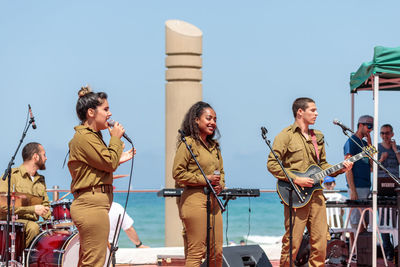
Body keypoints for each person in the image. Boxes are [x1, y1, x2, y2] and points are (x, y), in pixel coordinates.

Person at [267, 97, 352, 267]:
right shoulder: (285, 136)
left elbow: (322, 166)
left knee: (321, 242)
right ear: (300, 112)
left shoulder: (317, 136)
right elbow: (272, 164)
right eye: (313, 110)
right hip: (296, 196)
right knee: (292, 242)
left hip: (317, 195)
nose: (317, 113)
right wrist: (296, 178)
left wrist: (341, 168)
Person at [68, 86, 134, 267]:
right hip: (90, 206)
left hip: (95, 204)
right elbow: (108, 163)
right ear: (91, 112)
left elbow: (101, 165)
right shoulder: (84, 138)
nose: (110, 113)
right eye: (105, 109)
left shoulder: (93, 137)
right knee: (94, 262)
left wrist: (117, 158)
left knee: (89, 260)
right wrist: (115, 139)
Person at [172, 101, 225, 267]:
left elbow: (221, 173)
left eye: (215, 119)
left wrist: (220, 184)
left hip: (214, 201)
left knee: (216, 252)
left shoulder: (214, 147)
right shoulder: (187, 143)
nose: (213, 123)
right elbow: (178, 173)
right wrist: (205, 179)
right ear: (196, 120)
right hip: (194, 199)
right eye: (208, 118)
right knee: (197, 252)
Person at [0, 142, 51, 248]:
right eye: (44, 155)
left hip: (33, 224)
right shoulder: (12, 176)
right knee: (34, 227)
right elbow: (2, 205)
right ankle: (25, 261)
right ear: (36, 157)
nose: (46, 158)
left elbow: (46, 206)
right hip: (12, 224)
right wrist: (32, 209)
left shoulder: (41, 180)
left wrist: (57, 224)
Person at [343, 115, 373, 229]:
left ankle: (362, 246)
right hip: (357, 186)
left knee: (365, 223)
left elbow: (372, 164)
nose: (370, 130)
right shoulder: (352, 142)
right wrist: (353, 190)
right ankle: (354, 246)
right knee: (356, 223)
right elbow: (347, 168)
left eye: (372, 127)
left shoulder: (365, 144)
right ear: (361, 125)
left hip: (366, 186)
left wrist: (369, 142)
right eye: (369, 126)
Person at [377, 124, 400, 261]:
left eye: (387, 133)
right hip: (381, 187)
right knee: (384, 222)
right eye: (382, 133)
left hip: (396, 187)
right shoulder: (377, 149)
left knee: (396, 222)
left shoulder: (397, 148)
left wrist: (395, 150)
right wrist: (381, 160)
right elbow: (372, 168)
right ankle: (388, 251)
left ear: (392, 134)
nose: (385, 136)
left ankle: (397, 248)